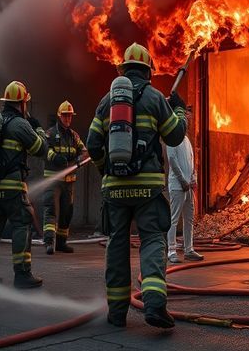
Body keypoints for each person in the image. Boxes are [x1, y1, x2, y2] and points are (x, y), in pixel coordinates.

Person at [86, 42, 188, 329]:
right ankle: (154, 305)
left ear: (123, 69)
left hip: (115, 190)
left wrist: (106, 169)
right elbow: (175, 136)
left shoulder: (106, 102)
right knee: (153, 240)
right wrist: (178, 111)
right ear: (148, 72)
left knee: (117, 244)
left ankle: (116, 313)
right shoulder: (155, 98)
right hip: (148, 188)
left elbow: (93, 143)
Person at [0, 81, 48, 288]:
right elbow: (40, 149)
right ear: (22, 103)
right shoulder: (19, 124)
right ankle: (22, 274)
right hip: (12, 188)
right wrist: (39, 129)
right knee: (22, 224)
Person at [42, 100, 88, 255]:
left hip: (69, 183)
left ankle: (61, 242)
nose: (67, 119)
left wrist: (78, 161)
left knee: (66, 213)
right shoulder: (50, 133)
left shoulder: (74, 136)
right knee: (51, 210)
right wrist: (54, 157)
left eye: (69, 116)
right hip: (53, 181)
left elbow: (84, 152)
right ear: (59, 116)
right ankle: (49, 242)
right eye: (65, 116)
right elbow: (44, 149)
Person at [166, 109, 203, 264]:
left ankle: (189, 249)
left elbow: (191, 161)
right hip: (177, 186)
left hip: (187, 186)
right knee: (173, 219)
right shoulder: (171, 140)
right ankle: (171, 251)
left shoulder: (186, 140)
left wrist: (193, 178)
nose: (186, 123)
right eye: (183, 120)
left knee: (189, 219)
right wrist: (182, 180)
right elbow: (172, 161)